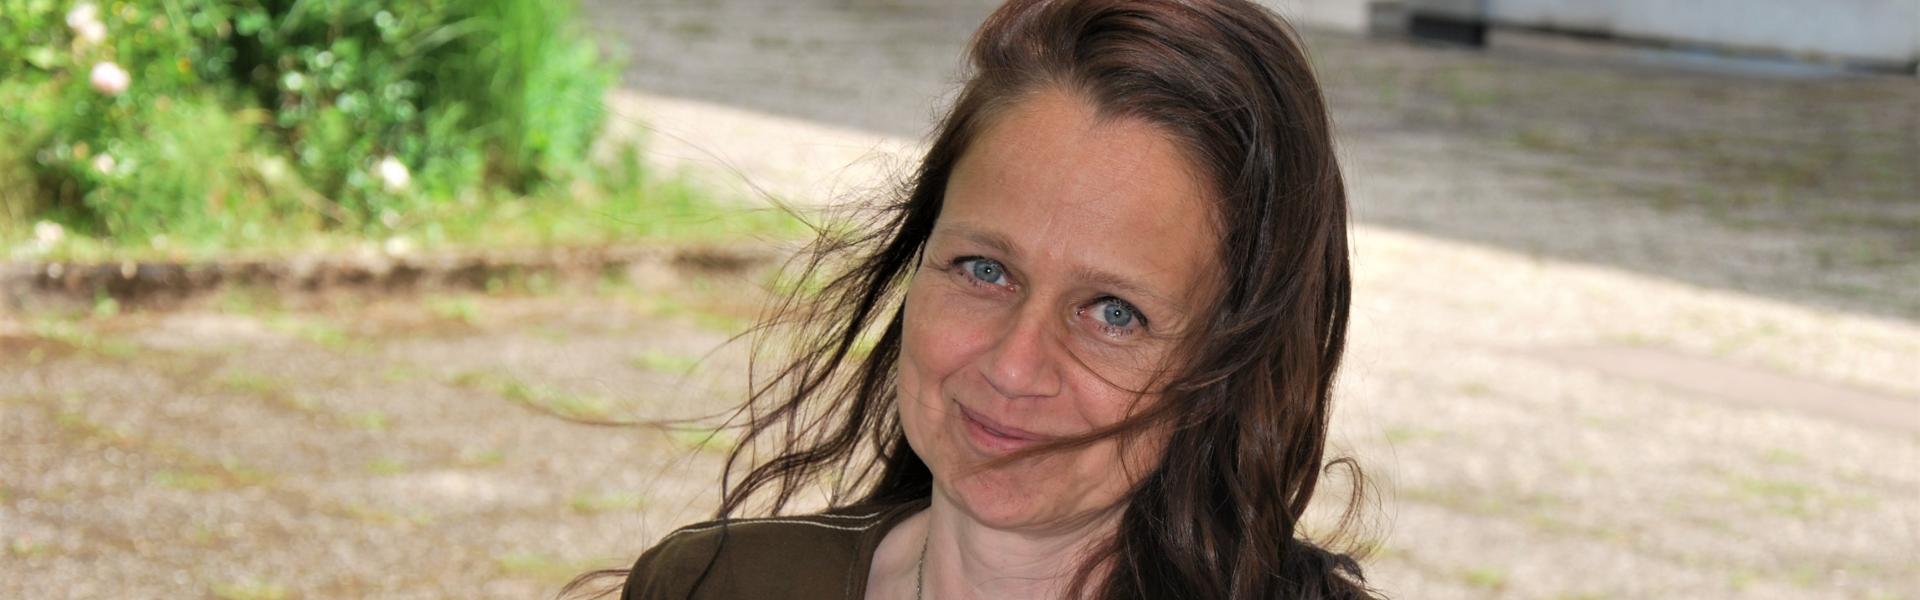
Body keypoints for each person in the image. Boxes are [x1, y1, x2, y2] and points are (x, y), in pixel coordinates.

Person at [584, 0, 1375, 597]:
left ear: (1233, 360)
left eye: (1113, 313)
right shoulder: (713, 586)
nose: (1013, 367)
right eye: (984, 270)